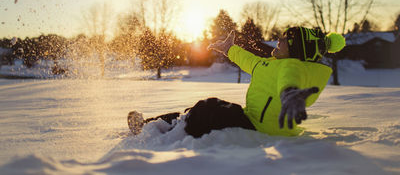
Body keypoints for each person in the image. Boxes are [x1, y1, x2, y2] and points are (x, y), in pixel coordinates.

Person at [128, 27, 345, 137]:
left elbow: (290, 80)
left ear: (298, 49)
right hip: (250, 119)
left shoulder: (291, 66)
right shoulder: (271, 64)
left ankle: (166, 133)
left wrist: (289, 94)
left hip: (259, 129)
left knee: (207, 108)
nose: (279, 39)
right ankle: (149, 125)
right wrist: (229, 49)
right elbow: (249, 61)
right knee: (196, 109)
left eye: (287, 39)